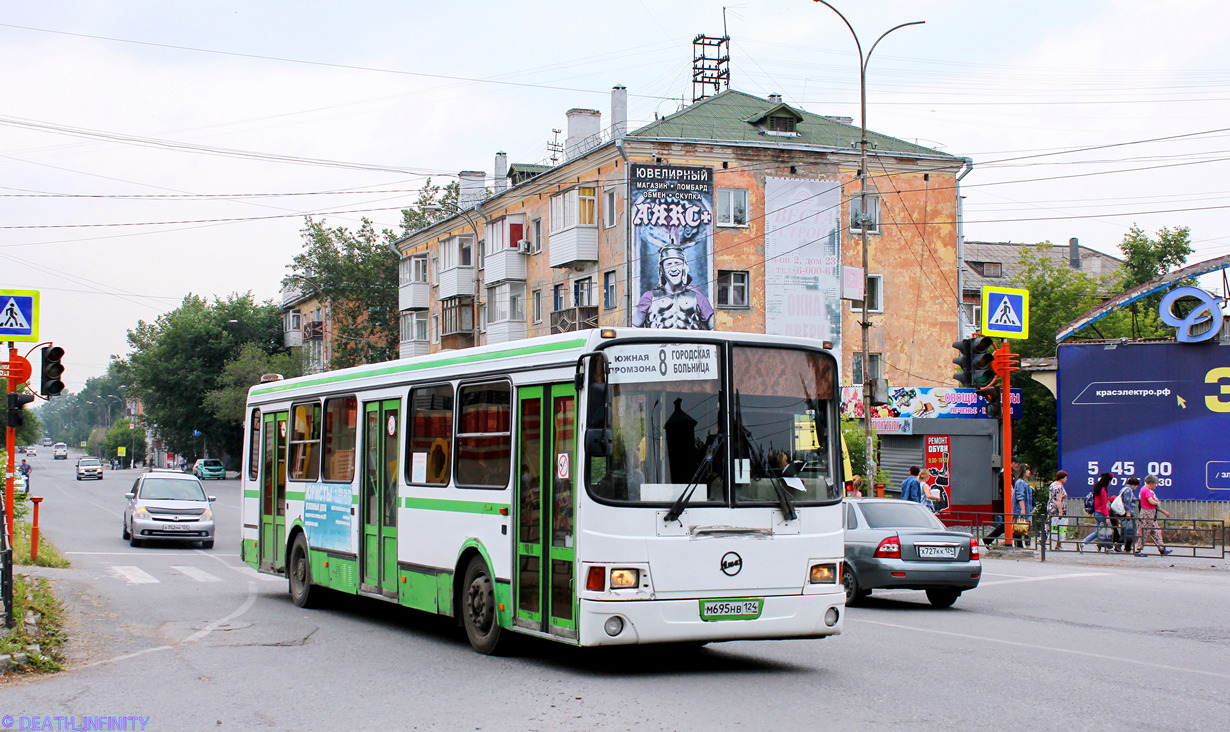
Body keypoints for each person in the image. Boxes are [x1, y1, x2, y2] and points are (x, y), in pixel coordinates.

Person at [632, 246, 716, 330]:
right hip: (657, 343)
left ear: (684, 267)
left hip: (690, 343)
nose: (673, 269)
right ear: (662, 269)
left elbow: (713, 327)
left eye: (677, 263)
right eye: (669, 264)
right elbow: (634, 327)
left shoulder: (698, 296)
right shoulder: (649, 297)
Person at [1135, 474, 1173, 556]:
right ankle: (1138, 550)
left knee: (1155, 532)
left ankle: (1162, 548)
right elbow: (1151, 502)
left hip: (1150, 514)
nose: (1155, 485)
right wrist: (1156, 502)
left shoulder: (1144, 490)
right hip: (1147, 513)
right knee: (1144, 532)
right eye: (1155, 484)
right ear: (1150, 483)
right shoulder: (1146, 490)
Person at [1079, 472, 1113, 552]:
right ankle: (1109, 548)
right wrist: (1107, 516)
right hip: (1102, 513)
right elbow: (1104, 504)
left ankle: (1084, 542)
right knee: (1107, 530)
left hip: (1097, 512)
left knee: (1098, 531)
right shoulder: (1104, 490)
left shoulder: (1097, 489)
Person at [1113, 477, 1139, 553]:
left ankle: (1122, 545)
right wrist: (1128, 512)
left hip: (1125, 513)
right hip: (1127, 514)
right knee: (1130, 530)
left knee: (1126, 529)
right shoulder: (1129, 490)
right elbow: (1127, 502)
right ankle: (1124, 546)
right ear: (1134, 484)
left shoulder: (1124, 489)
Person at [1012, 464, 1034, 548]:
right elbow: (1020, 496)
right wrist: (1023, 508)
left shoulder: (1023, 482)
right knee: (1022, 526)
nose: (1029, 472)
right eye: (1028, 470)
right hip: (1022, 509)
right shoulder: (1021, 482)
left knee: (1023, 526)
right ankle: (1024, 544)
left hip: (1026, 508)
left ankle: (1020, 544)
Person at [1047, 470, 1069, 550]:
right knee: (1060, 526)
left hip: (1051, 507)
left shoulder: (1053, 484)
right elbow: (1058, 499)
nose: (1066, 479)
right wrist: (1061, 511)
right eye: (1065, 478)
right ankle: (1058, 545)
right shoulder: (1059, 486)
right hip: (1057, 509)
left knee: (1050, 525)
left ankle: (1045, 542)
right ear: (1062, 478)